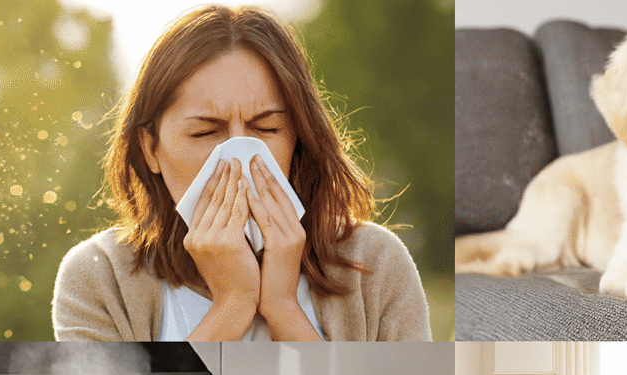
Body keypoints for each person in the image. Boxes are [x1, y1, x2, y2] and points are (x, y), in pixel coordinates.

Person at [52, 4, 431, 341]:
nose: (239, 159)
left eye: (266, 129)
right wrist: (232, 306)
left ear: (298, 137)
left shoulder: (375, 265)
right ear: (151, 148)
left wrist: (284, 309)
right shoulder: (99, 278)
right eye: (205, 132)